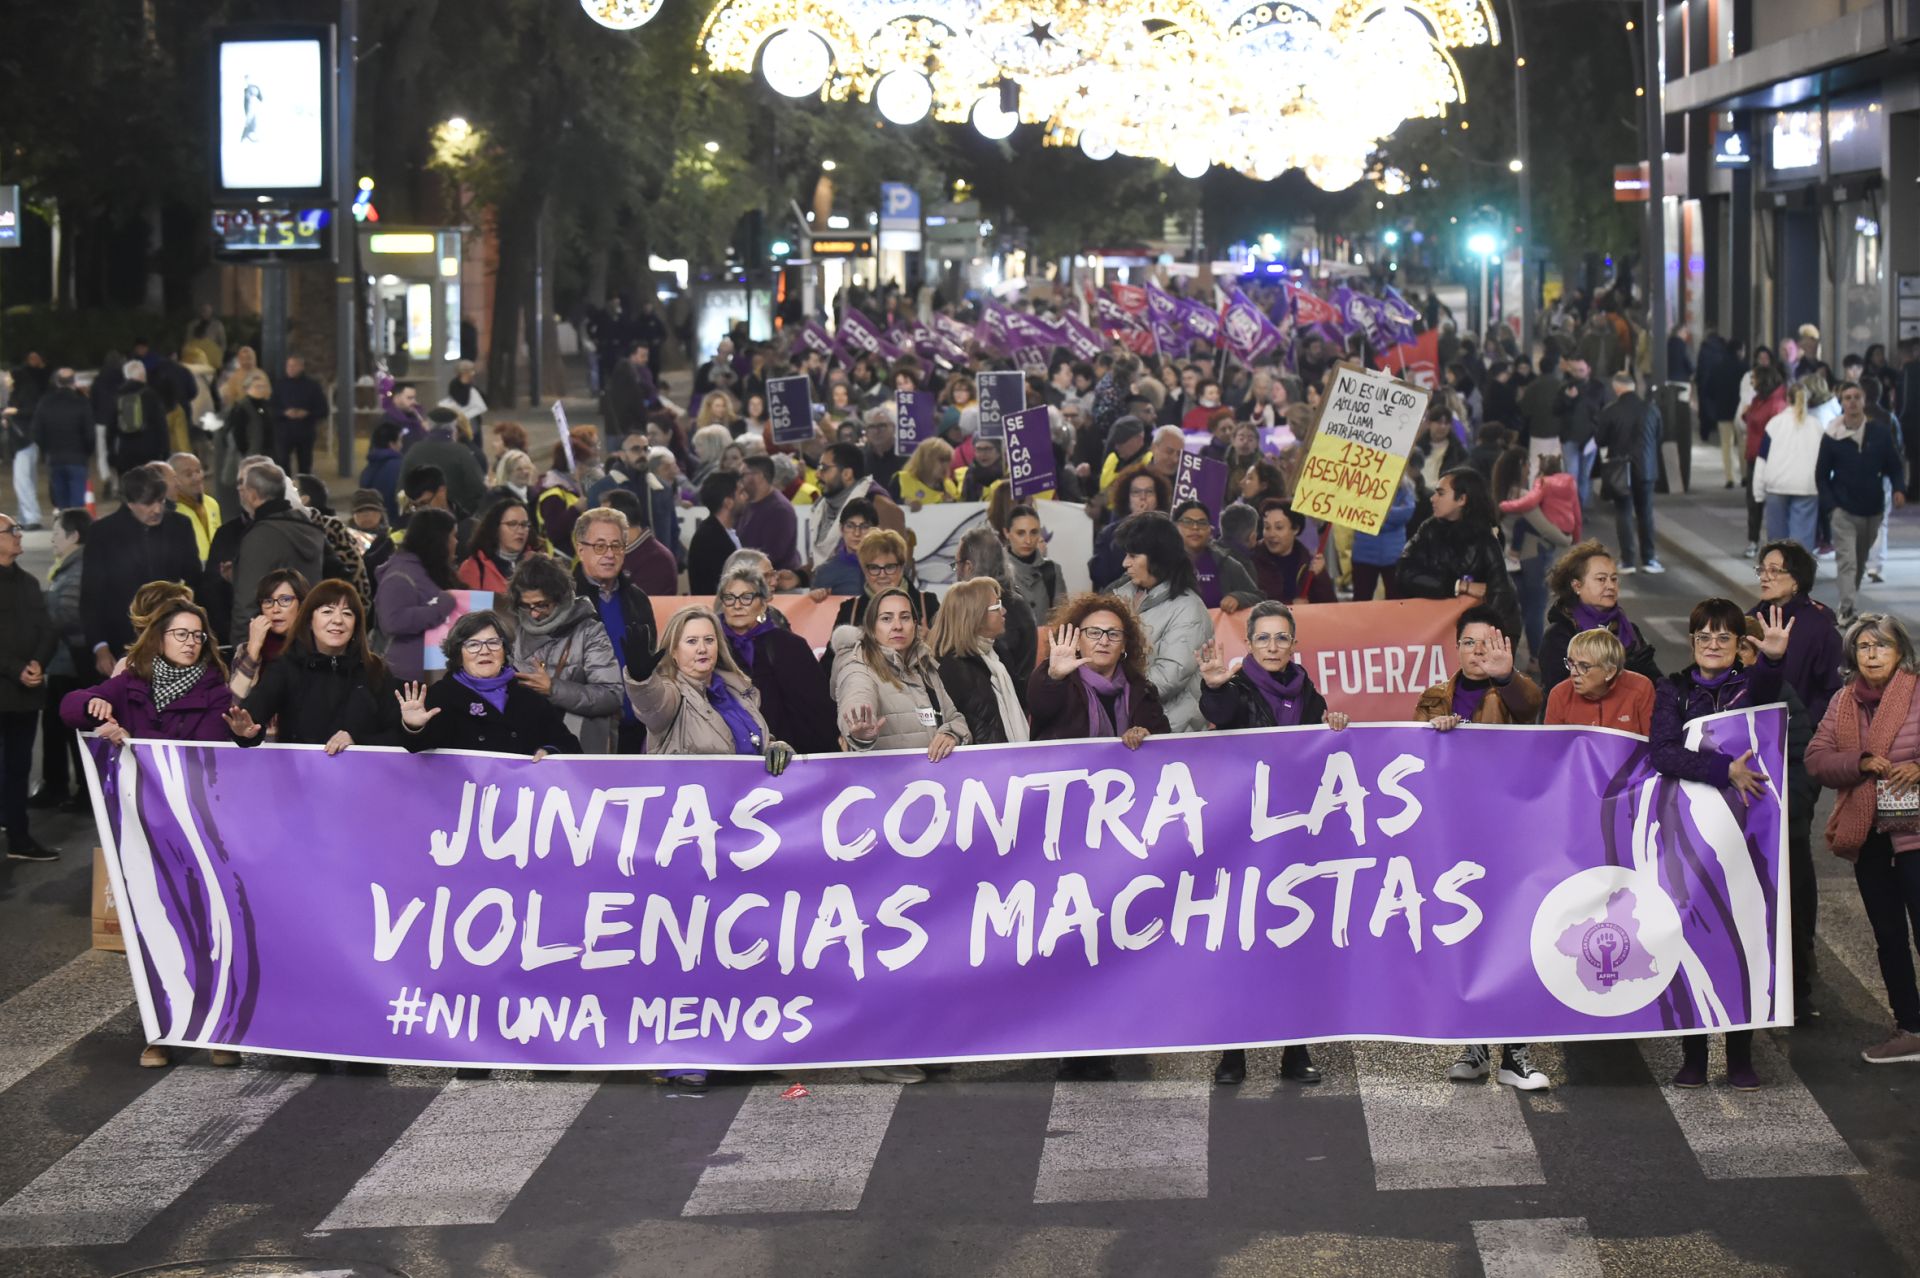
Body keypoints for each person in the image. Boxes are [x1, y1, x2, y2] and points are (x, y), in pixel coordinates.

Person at [60, 599, 248, 1066]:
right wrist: (93, 706)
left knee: (206, 927)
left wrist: (136, 741)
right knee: (152, 926)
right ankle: (161, 1031)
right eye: (181, 634)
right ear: (159, 639)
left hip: (198, 827)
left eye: (198, 635)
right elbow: (70, 707)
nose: (190, 643)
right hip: (141, 825)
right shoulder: (130, 683)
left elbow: (207, 750)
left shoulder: (215, 690)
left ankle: (218, 1032)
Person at [1646, 600, 1790, 1089]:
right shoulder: (1673, 689)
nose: (1713, 644)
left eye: (1723, 637)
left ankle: (1740, 1056)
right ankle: (1694, 1055)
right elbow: (1662, 752)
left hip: (1748, 828)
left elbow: (1769, 698)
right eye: (1704, 636)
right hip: (1688, 827)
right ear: (1692, 642)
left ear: (1737, 644)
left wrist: (1772, 659)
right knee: (1690, 933)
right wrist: (1722, 769)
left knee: (1746, 931)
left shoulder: (1749, 686)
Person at [1414, 605, 1549, 1089]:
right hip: (1454, 837)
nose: (1476, 652)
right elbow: (1415, 759)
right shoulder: (1434, 697)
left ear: (1503, 647)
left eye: (1486, 643)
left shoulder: (1513, 688)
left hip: (1508, 834)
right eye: (1468, 643)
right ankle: (1474, 1050)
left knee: (1511, 941)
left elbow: (1530, 705)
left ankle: (1515, 1054)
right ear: (1455, 648)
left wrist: (1506, 675)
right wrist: (1437, 736)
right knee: (1465, 940)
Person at [1806, 613, 1920, 1064]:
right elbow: (1817, 758)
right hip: (1869, 834)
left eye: (1882, 645)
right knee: (1889, 936)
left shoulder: (1917, 691)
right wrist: (1860, 761)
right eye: (1864, 646)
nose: (1872, 655)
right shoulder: (1844, 701)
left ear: (1900, 651)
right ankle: (1910, 1027)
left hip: (1915, 835)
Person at [233, 579, 404, 753]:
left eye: (347, 613)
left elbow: (398, 735)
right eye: (327, 611)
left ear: (356, 625)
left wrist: (358, 741)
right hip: (300, 769)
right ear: (309, 621)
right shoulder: (286, 665)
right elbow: (253, 718)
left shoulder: (374, 670)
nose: (338, 620)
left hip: (362, 769)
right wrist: (245, 733)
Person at [396, 610, 578, 756]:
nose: (484, 651)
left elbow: (568, 745)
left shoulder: (529, 697)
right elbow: (418, 749)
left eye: (493, 642)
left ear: (504, 650)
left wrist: (549, 752)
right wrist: (414, 727)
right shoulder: (440, 696)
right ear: (458, 655)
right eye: (473, 644)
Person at [80, 463, 202, 674]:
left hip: (172, 639)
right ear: (129, 503)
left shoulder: (180, 526)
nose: (157, 510)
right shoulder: (103, 533)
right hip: (122, 641)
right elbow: (91, 595)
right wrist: (100, 647)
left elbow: (195, 579)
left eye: (161, 501)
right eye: (148, 504)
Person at [714, 564, 838, 754]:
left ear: (763, 603)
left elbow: (816, 711)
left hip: (786, 756)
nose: (737, 605)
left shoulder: (789, 646)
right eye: (730, 598)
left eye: (747, 597)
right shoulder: (711, 645)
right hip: (728, 754)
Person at [506, 554, 623, 754]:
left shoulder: (590, 631)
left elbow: (611, 695)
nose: (533, 613)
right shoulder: (514, 631)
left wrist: (552, 688)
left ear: (560, 598)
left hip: (576, 747)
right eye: (526, 606)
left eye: (542, 605)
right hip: (526, 747)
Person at [1108, 513, 1212, 733]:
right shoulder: (1120, 595)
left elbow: (1168, 678)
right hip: (1129, 726)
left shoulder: (1189, 609)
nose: (1125, 563)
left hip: (1171, 731)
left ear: (1158, 557)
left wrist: (1108, 689)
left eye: (1133, 555)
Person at [1817, 381, 1908, 623]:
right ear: (1841, 403)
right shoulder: (1832, 436)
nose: (1852, 402)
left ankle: (1849, 596)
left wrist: (1899, 488)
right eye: (1847, 398)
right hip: (1842, 509)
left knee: (1859, 559)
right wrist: (1831, 507)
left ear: (1864, 401)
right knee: (1846, 560)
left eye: (1857, 397)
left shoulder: (1879, 433)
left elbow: (1894, 465)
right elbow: (1821, 475)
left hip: (1872, 508)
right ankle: (1848, 607)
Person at [1397, 467, 1519, 642]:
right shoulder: (1428, 529)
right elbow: (1404, 572)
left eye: (1440, 493)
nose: (1433, 498)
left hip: (1472, 637)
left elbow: (1499, 595)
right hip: (1432, 632)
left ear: (1462, 499)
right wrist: (1459, 586)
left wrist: (1485, 641)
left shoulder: (1488, 538)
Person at [572, 506, 658, 753]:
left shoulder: (637, 599)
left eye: (616, 546)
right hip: (585, 728)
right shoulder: (566, 600)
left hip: (637, 727)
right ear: (580, 549)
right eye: (600, 546)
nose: (609, 554)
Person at [0, 512, 55, 862]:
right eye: (11, 530)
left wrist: (38, 663)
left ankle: (19, 838)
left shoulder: (29, 582)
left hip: (25, 694)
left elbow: (48, 629)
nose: (19, 535)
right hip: (5, 687)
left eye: (18, 529)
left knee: (19, 768)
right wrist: (16, 668)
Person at [1537, 541, 1659, 695]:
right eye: (1601, 579)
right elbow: (1559, 692)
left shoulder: (1630, 631)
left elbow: (1655, 684)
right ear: (1577, 586)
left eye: (1614, 579)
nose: (1610, 586)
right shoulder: (1560, 635)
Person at [31, 509, 91, 812]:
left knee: (67, 729)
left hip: (71, 665)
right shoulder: (68, 566)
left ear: (73, 536)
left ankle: (79, 792)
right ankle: (61, 788)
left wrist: (39, 620)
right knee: (57, 728)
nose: (52, 539)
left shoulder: (78, 570)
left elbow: (68, 614)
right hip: (64, 663)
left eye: (56, 534)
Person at [228, 462, 325, 644]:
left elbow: (247, 602)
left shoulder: (261, 537)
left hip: (271, 646)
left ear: (252, 495)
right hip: (311, 639)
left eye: (244, 489)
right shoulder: (311, 530)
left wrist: (243, 648)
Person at [930, 577, 1029, 745]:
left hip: (1010, 755)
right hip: (982, 760)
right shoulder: (951, 669)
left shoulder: (998, 655)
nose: (1004, 611)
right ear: (974, 616)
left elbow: (1025, 698)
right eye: (997, 606)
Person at [374, 508, 460, 684]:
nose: (456, 542)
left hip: (436, 673)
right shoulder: (400, 575)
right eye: (453, 536)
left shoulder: (429, 569)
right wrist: (439, 609)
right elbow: (393, 621)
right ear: (439, 539)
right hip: (408, 679)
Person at [1595, 371, 1664, 574]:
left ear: (1616, 388)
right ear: (1634, 386)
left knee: (1623, 512)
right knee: (1645, 512)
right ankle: (1649, 558)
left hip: (1620, 468)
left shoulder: (1611, 410)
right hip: (1646, 467)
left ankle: (1627, 560)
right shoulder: (1651, 409)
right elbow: (1659, 436)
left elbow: (1600, 440)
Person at [955, 527, 1038, 691]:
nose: (955, 571)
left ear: (968, 567)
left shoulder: (987, 613)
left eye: (956, 564)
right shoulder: (1018, 602)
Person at [1753, 375, 1829, 548]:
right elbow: (1824, 459)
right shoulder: (1816, 425)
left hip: (1776, 485)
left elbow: (1762, 459)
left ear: (1787, 398)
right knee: (1802, 539)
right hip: (1806, 486)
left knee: (1777, 540)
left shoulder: (1775, 423)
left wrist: (1758, 492)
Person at [1543, 627, 1655, 733]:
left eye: (1584, 666)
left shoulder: (1641, 688)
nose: (1573, 673)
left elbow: (1654, 742)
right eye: (1571, 663)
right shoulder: (1559, 694)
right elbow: (1552, 744)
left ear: (1610, 672)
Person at [830, 529, 939, 630]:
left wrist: (930, 640)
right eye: (874, 568)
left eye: (889, 567)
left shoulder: (927, 604)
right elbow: (834, 646)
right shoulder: (849, 610)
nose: (882, 575)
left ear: (901, 567)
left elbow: (946, 643)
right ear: (864, 570)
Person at [228, 569, 310, 700]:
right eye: (268, 601)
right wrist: (253, 649)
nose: (275, 609)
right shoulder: (246, 650)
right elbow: (234, 703)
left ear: (302, 604)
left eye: (285, 600)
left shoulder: (316, 647)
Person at [1173, 500, 1261, 613]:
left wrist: (1239, 598)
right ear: (1174, 527)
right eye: (1187, 522)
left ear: (1210, 530)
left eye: (1202, 523)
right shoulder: (1162, 564)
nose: (1195, 527)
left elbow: (1258, 598)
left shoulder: (1226, 563)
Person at [400, 407, 489, 518]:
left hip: (420, 519)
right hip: (454, 518)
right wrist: (465, 515)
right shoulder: (461, 452)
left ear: (429, 426)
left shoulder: (414, 451)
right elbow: (479, 490)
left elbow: (401, 491)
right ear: (453, 427)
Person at [1249, 498, 1333, 606]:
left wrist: (1321, 575)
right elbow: (1249, 602)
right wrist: (1289, 605)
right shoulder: (1251, 559)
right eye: (1267, 527)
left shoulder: (1307, 561)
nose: (1271, 534)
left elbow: (1330, 605)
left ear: (1295, 529)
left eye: (1279, 527)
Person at [31, 368, 93, 513]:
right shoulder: (81, 402)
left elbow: (36, 432)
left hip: (55, 458)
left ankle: (64, 524)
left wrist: (46, 450)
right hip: (77, 458)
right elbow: (90, 434)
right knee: (77, 505)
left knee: (61, 503)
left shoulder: (45, 402)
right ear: (74, 382)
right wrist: (87, 452)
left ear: (57, 382)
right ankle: (77, 526)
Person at [735, 454, 802, 572]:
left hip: (776, 579)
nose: (739, 482)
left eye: (743, 476)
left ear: (759, 476)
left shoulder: (780, 510)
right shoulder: (747, 504)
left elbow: (773, 555)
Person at [457, 497, 536, 593]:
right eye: (512, 524)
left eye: (524, 525)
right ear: (495, 527)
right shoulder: (473, 568)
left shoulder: (538, 564)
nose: (520, 531)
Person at [268, 356, 329, 475]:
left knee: (305, 465)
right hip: (284, 431)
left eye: (294, 365)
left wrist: (307, 413)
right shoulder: (279, 385)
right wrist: (284, 413)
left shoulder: (312, 386)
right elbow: (271, 408)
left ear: (301, 367)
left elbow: (323, 410)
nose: (290, 368)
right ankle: (287, 486)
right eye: (288, 366)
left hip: (305, 431)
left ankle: (304, 485)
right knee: (282, 463)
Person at [1005, 505, 1066, 621]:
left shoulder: (1052, 570)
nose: (1028, 540)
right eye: (1020, 533)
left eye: (1033, 532)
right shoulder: (995, 572)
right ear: (1007, 533)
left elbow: (1062, 618)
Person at [688, 471, 743, 596]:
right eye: (740, 493)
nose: (745, 497)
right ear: (728, 503)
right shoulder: (709, 539)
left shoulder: (724, 532)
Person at [167, 451, 222, 562]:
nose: (197, 478)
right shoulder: (169, 513)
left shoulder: (212, 503)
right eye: (188, 474)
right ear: (174, 480)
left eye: (198, 471)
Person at [897, 438, 960, 506]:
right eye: (942, 460)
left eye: (948, 460)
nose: (946, 465)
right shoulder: (902, 479)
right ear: (926, 459)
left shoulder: (949, 486)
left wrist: (951, 504)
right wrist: (905, 503)